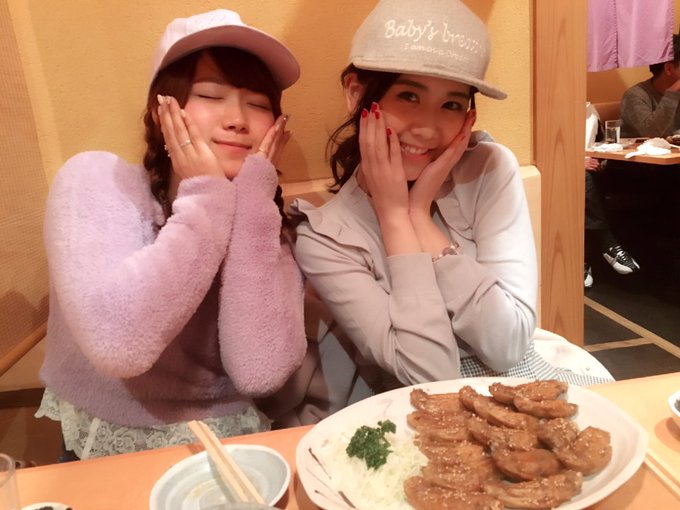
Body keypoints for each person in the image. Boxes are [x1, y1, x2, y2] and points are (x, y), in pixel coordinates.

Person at [291, 0, 613, 393]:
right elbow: (432, 377)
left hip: (525, 387)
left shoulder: (489, 171)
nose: (428, 129)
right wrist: (396, 219)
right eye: (408, 96)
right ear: (357, 94)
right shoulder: (326, 237)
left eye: (451, 104)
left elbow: (509, 345)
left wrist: (421, 220)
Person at [36, 9, 306, 460]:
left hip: (233, 446)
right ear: (161, 111)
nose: (238, 119)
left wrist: (253, 201)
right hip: (101, 449)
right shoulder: (97, 181)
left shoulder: (264, 221)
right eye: (210, 95)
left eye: (258, 104)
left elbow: (260, 370)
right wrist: (205, 199)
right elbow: (119, 343)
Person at [584, 103, 640, 287]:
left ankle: (584, 259)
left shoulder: (590, 111)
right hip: (561, 169)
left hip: (590, 172)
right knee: (584, 178)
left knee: (603, 175)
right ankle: (607, 243)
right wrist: (575, 161)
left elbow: (598, 143)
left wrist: (601, 161)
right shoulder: (552, 110)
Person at [620, 34, 680, 138]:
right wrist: (673, 92)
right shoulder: (635, 96)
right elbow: (651, 133)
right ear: (669, 69)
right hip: (639, 148)